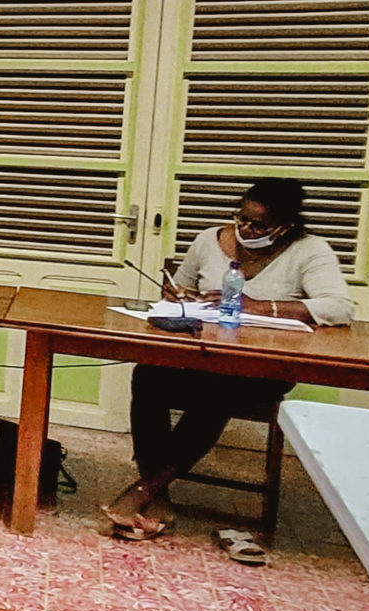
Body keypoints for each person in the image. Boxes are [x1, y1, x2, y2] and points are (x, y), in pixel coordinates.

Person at [104, 179, 354, 543]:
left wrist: (259, 306)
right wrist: (180, 296)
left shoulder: (309, 251)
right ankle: (158, 496)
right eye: (242, 219)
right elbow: (176, 290)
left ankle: (145, 489)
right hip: (201, 356)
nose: (246, 230)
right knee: (149, 375)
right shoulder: (209, 239)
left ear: (285, 226)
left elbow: (339, 307)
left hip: (262, 369)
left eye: (259, 225)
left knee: (218, 388)